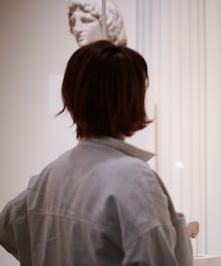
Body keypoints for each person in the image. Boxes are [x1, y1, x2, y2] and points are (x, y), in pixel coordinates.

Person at [0, 40, 193, 266]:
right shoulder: (135, 180)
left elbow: (7, 227)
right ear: (131, 99)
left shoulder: (46, 178)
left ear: (70, 96)